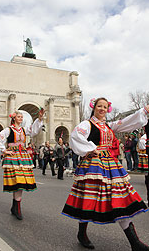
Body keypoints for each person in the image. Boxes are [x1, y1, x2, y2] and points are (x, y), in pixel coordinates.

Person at [62, 97, 149, 250]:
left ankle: (134, 242)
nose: (102, 109)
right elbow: (76, 136)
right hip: (93, 166)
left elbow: (126, 122)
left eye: (105, 106)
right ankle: (82, 233)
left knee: (121, 198)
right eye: (99, 106)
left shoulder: (109, 125)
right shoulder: (87, 124)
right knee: (88, 198)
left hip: (111, 166)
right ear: (94, 108)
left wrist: (143, 111)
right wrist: (90, 149)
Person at [0, 109, 44, 220]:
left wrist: (40, 119)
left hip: (23, 157)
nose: (21, 118)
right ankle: (17, 208)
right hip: (13, 157)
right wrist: (4, 150)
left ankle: (15, 207)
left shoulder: (24, 130)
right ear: (14, 118)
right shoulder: (8, 130)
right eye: (19, 117)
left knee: (20, 182)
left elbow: (34, 130)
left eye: (22, 117)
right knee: (18, 182)